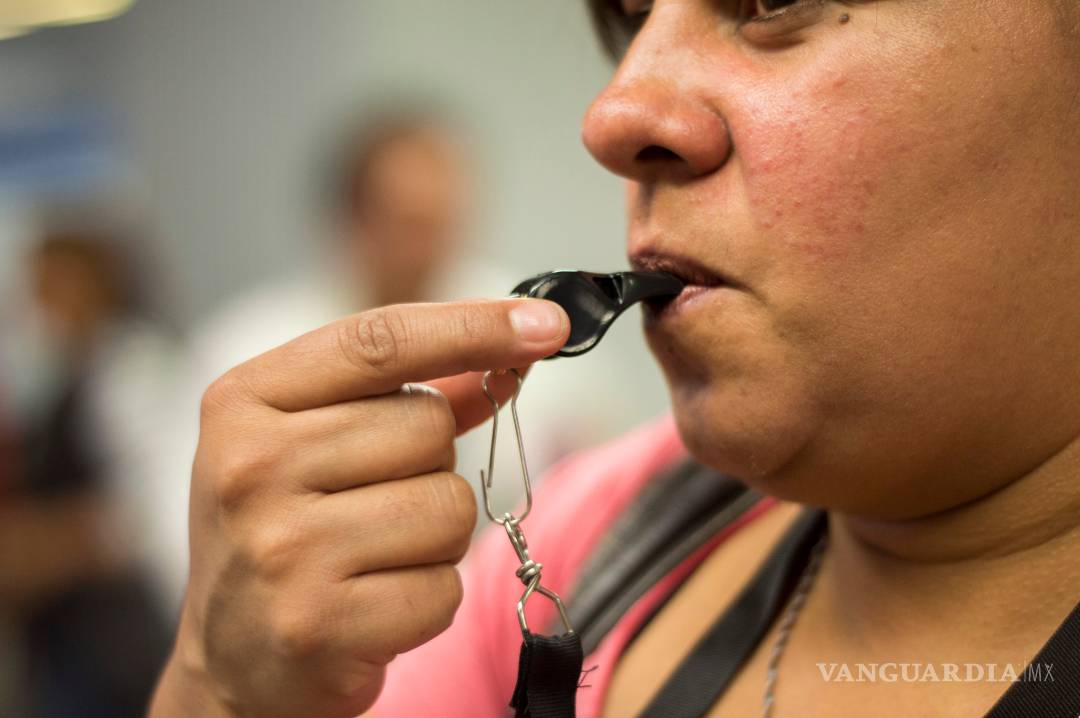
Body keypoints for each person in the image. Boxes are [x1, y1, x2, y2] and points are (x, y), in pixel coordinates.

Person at [150, 1, 1080, 716]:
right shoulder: (591, 541)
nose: (612, 115)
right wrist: (218, 690)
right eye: (630, 17)